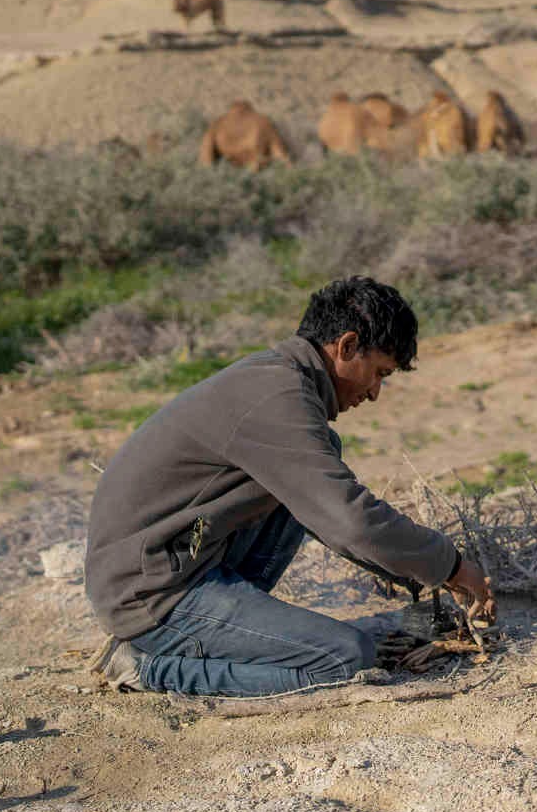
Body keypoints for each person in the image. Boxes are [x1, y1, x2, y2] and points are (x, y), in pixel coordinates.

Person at [83, 277, 494, 696]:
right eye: (379, 373)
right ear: (347, 346)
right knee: (343, 659)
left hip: (175, 567)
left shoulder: (277, 381)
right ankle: (147, 666)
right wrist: (451, 566)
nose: (374, 393)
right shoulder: (274, 398)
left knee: (314, 467)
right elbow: (350, 520)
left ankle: (236, 636)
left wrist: (418, 574)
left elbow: (330, 517)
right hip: (154, 596)